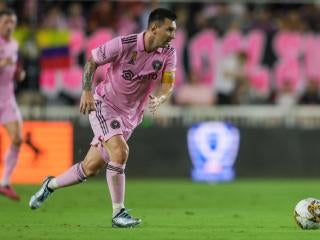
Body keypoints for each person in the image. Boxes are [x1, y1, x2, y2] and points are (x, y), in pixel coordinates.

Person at [29, 8, 177, 228]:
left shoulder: (168, 53)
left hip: (130, 116)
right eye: (170, 30)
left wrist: (161, 96)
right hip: (104, 104)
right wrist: (86, 90)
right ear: (154, 28)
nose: (173, 35)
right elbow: (92, 61)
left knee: (90, 168)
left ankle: (50, 185)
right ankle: (119, 213)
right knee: (120, 152)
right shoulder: (125, 43)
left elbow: (168, 81)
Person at [0, 9, 25, 201]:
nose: (10, 26)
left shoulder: (15, 45)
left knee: (17, 139)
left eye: (12, 22)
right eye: (7, 21)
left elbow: (16, 68)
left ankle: (5, 182)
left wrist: (19, 74)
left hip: (7, 99)